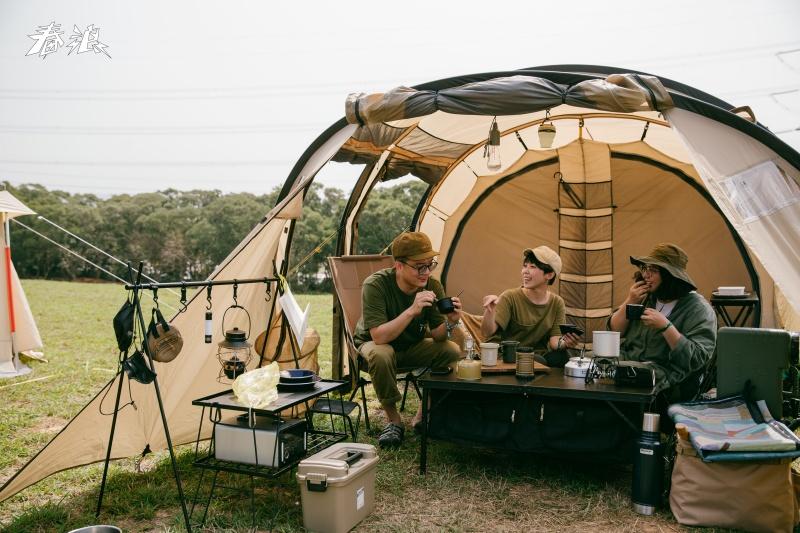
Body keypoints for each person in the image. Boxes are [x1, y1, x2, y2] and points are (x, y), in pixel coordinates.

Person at [353, 231, 462, 448]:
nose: (426, 272)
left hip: (411, 346)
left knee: (451, 350)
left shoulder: (432, 285)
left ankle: (423, 414)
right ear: (399, 265)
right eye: (419, 266)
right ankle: (394, 421)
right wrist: (412, 310)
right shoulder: (376, 285)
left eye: (430, 264)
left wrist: (451, 321)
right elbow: (378, 336)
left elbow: (439, 336)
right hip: (375, 347)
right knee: (382, 353)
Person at [608, 243, 716, 402]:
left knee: (628, 374)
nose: (646, 275)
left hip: (664, 373)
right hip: (627, 362)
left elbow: (697, 358)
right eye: (645, 269)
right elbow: (615, 331)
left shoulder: (698, 309)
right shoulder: (646, 297)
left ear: (670, 275)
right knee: (586, 363)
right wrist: (629, 301)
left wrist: (666, 327)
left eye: (653, 270)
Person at [481, 246, 579, 367]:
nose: (525, 271)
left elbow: (555, 342)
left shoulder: (557, 303)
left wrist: (566, 343)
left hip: (535, 355)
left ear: (549, 274)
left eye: (532, 267)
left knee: (563, 357)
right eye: (524, 266)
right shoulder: (510, 297)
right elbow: (487, 332)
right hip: (506, 355)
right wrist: (489, 312)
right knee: (535, 361)